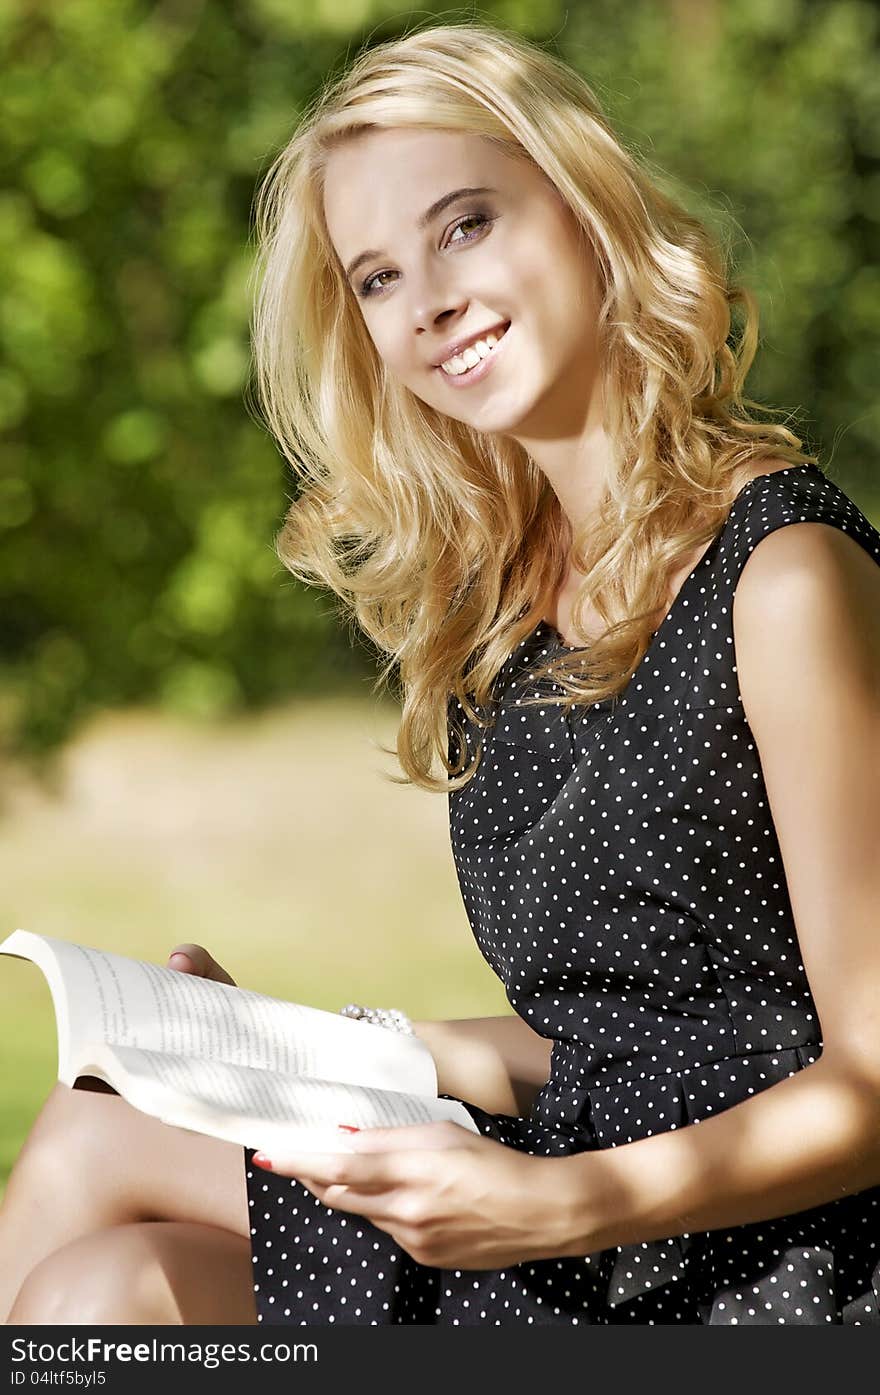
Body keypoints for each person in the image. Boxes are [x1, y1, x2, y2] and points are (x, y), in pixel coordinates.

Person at [2, 21, 879, 1327]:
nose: (431, 300)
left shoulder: (785, 576)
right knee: (104, 1251)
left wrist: (558, 1204)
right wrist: (271, 1051)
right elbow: (615, 1041)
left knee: (94, 1185)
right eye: (376, 278)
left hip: (753, 1271)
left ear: (583, 207)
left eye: (465, 224)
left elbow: (867, 1079)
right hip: (581, 1216)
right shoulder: (512, 611)